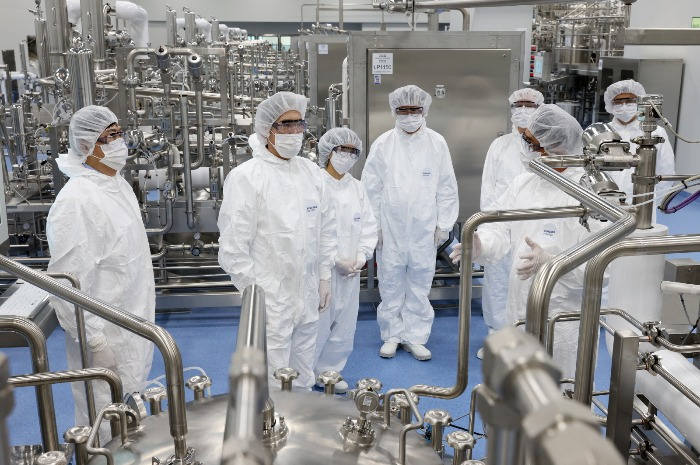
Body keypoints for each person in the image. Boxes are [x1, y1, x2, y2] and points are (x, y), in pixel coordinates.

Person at [451, 104, 608, 382]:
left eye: (534, 145)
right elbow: (499, 228)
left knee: (559, 393)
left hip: (562, 320)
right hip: (520, 308)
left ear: (555, 150)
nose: (527, 150)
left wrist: (553, 263)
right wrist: (480, 245)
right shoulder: (525, 183)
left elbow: (602, 268)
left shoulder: (587, 193)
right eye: (526, 141)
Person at [46, 106, 155, 439]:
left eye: (120, 133)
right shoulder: (77, 201)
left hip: (134, 324)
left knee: (132, 419)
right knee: (104, 420)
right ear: (85, 145)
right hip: (104, 337)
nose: (118, 142)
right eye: (109, 137)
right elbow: (68, 283)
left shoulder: (117, 185)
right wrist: (95, 339)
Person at [218, 92, 337, 389]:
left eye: (299, 124)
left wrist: (324, 278)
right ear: (265, 130)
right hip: (271, 300)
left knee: (304, 371)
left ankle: (303, 426)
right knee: (271, 377)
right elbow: (233, 249)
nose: (294, 132)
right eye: (285, 125)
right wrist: (259, 295)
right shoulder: (247, 177)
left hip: (308, 294)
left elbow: (326, 230)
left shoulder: (312, 173)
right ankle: (271, 431)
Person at [362, 84, 459, 361]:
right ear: (394, 112)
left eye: (414, 110)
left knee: (419, 283)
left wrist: (444, 224)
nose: (409, 115)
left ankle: (415, 337)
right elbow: (371, 188)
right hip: (390, 228)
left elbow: (446, 186)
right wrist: (374, 227)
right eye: (403, 110)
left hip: (424, 230)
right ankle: (392, 335)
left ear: (424, 111)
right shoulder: (383, 144)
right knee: (391, 281)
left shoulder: (437, 143)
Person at [478, 88, 544, 359]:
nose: (524, 109)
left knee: (531, 279)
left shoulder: (545, 144)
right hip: (503, 223)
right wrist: (489, 225)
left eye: (530, 105)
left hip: (536, 225)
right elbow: (488, 187)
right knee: (497, 280)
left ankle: (527, 338)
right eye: (519, 105)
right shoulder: (500, 145)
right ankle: (497, 336)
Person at [313, 128, 377, 393]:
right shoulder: (314, 183)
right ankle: (304, 372)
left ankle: (330, 371)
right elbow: (311, 231)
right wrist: (331, 260)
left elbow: (369, 226)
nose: (348, 156)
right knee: (316, 323)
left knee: (345, 324)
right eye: (343, 150)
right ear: (329, 152)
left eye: (353, 152)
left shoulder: (356, 187)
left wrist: (362, 256)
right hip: (321, 273)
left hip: (350, 271)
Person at [603, 79, 675, 219]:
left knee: (638, 238)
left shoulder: (655, 132)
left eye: (629, 100)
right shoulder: (603, 131)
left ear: (639, 101)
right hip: (605, 201)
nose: (624, 105)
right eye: (618, 101)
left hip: (642, 202)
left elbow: (665, 171)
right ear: (610, 105)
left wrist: (651, 202)